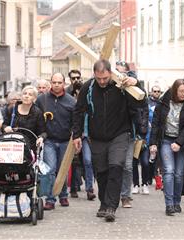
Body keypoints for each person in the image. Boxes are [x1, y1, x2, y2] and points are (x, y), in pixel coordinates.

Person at [72, 59, 145, 222]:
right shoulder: (88, 88)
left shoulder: (122, 86)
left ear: (111, 73)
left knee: (116, 167)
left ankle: (111, 206)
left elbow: (140, 102)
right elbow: (78, 111)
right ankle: (104, 203)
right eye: (99, 79)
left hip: (120, 134)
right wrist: (76, 135)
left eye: (105, 78)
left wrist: (136, 84)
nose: (102, 82)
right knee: (102, 172)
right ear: (94, 75)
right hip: (97, 137)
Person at [149, 79, 184, 216]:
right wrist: (153, 143)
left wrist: (179, 143)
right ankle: (169, 204)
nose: (183, 94)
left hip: (181, 143)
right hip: (166, 140)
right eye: (181, 91)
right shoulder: (163, 103)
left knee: (179, 173)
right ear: (175, 90)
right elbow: (156, 123)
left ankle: (176, 202)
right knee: (169, 171)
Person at [36, 73, 76, 210]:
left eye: (59, 82)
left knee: (62, 170)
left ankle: (63, 195)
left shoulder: (71, 101)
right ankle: (51, 199)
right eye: (54, 82)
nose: (57, 85)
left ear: (64, 83)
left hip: (65, 140)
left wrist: (74, 135)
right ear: (50, 83)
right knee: (51, 169)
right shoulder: (42, 99)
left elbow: (75, 121)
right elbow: (37, 117)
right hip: (49, 140)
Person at [115, 60, 145, 208]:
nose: (120, 75)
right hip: (112, 134)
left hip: (128, 133)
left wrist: (135, 83)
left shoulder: (133, 87)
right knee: (113, 166)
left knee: (127, 166)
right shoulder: (107, 85)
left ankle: (125, 196)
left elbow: (142, 103)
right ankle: (112, 195)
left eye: (123, 72)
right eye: (117, 72)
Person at [2, 86, 46, 153]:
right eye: (24, 94)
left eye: (30, 95)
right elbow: (4, 125)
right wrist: (5, 128)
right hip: (12, 148)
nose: (26, 96)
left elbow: (43, 132)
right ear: (21, 96)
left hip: (29, 149)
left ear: (34, 99)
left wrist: (41, 138)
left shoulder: (38, 113)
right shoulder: (12, 109)